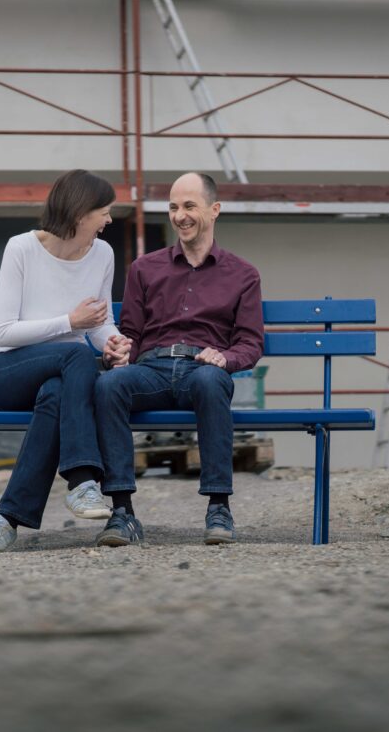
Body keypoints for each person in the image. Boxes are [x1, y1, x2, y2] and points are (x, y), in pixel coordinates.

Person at [93, 171, 263, 547]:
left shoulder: (244, 275)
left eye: (189, 206)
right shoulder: (144, 269)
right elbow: (132, 334)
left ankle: (219, 507)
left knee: (209, 381)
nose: (180, 215)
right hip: (150, 370)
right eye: (173, 207)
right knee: (108, 384)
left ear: (214, 210)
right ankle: (122, 512)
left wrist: (225, 358)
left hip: (201, 372)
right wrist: (120, 351)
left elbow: (251, 343)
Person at [0, 170, 133, 553]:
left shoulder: (102, 254)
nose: (109, 220)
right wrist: (69, 323)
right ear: (79, 214)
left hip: (62, 377)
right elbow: (3, 332)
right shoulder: (21, 248)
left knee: (58, 391)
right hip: (8, 373)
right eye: (103, 212)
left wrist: (113, 344)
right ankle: (82, 479)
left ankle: (5, 521)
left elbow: (99, 322)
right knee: (76, 354)